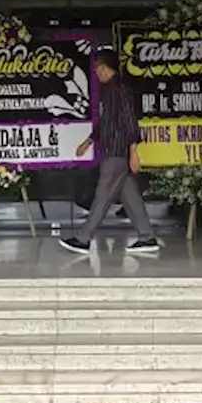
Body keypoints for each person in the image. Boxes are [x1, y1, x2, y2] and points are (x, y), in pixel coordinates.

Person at [60, 49, 159, 254]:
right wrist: (88, 141)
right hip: (113, 151)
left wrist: (133, 151)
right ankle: (147, 236)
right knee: (129, 196)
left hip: (117, 152)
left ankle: (83, 238)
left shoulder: (120, 89)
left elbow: (129, 121)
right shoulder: (108, 90)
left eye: (97, 69)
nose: (96, 73)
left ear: (105, 68)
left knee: (102, 196)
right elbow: (107, 123)